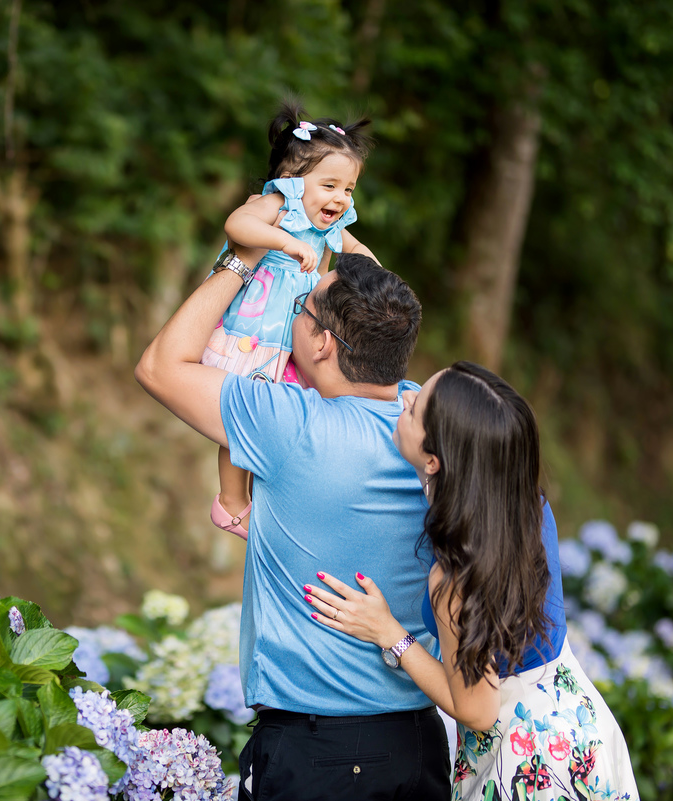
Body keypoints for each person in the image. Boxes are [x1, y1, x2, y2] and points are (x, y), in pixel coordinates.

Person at [136, 250, 451, 800]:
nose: (291, 315)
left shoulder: (290, 423)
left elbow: (159, 366)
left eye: (301, 309)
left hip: (318, 754)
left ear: (324, 343)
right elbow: (377, 312)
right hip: (417, 743)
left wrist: (242, 259)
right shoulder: (428, 425)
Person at [304, 362, 639, 800]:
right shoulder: (525, 505)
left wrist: (389, 633)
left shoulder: (457, 574)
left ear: (434, 459)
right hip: (578, 727)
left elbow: (478, 710)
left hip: (528, 760)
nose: (404, 398)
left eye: (415, 407)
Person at [203, 101, 378, 540]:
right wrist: (284, 240)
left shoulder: (330, 228)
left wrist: (375, 276)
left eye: (349, 189)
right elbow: (237, 225)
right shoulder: (278, 205)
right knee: (240, 418)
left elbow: (359, 253)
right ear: (292, 183)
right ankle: (230, 501)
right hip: (256, 331)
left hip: (295, 339)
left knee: (280, 419)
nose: (340, 198)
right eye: (330, 185)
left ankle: (271, 492)